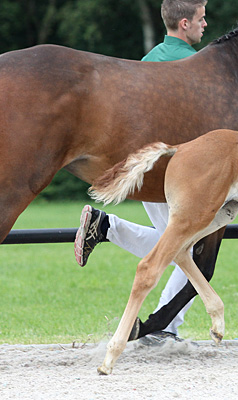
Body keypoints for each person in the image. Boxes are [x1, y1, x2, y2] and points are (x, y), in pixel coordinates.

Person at [74, 0, 208, 345]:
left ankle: (106, 226)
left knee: (177, 246)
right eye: (201, 18)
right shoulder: (194, 64)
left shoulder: (148, 60)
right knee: (189, 250)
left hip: (145, 167)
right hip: (174, 173)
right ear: (184, 23)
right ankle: (164, 329)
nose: (205, 25)